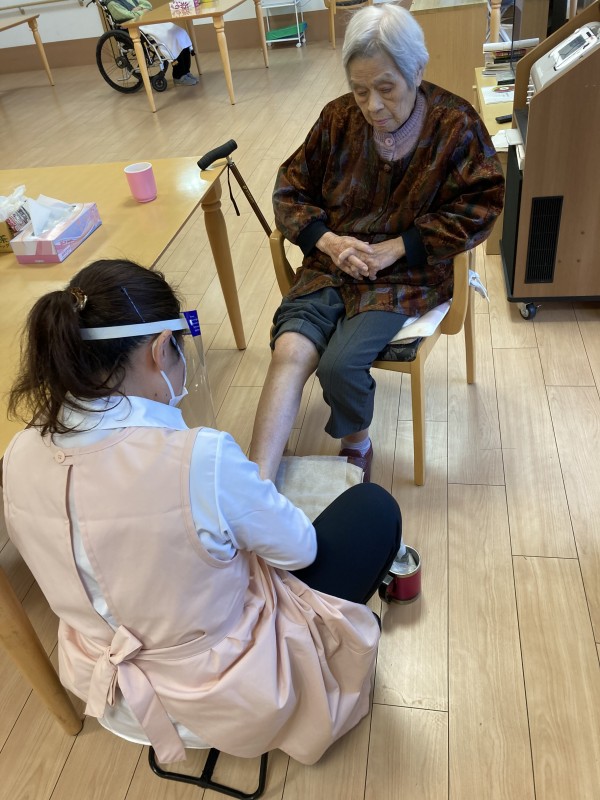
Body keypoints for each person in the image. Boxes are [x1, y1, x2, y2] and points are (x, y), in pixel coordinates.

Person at [2, 258, 403, 765]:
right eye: (179, 348)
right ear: (159, 349)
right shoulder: (199, 458)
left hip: (110, 694)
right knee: (372, 509)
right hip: (231, 695)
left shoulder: (17, 454)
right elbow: (300, 551)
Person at [249, 2, 505, 484]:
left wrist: (398, 247)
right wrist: (329, 242)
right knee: (289, 350)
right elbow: (290, 190)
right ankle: (254, 485)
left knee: (339, 365)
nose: (372, 106)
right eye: (360, 90)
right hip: (333, 263)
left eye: (386, 88)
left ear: (417, 71)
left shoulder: (455, 124)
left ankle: (357, 446)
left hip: (407, 274)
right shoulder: (337, 118)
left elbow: (482, 204)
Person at [107, 0, 199, 86]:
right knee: (171, 37)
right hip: (136, 28)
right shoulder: (112, 4)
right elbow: (130, 16)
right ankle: (179, 75)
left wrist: (139, 9)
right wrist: (143, 10)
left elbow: (148, 5)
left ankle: (186, 71)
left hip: (147, 22)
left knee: (179, 32)